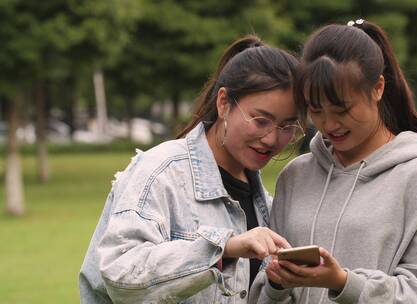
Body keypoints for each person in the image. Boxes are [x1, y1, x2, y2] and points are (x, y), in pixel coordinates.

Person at [79, 35, 306, 303]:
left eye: (287, 126)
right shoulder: (161, 172)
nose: (271, 138)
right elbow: (120, 274)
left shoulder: (266, 205)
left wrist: (279, 286)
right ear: (224, 103)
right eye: (261, 120)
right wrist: (225, 249)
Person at [250, 20, 417, 303]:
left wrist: (344, 283)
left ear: (378, 88)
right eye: (316, 110)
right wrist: (276, 284)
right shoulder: (295, 176)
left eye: (342, 109)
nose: (329, 124)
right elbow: (262, 293)